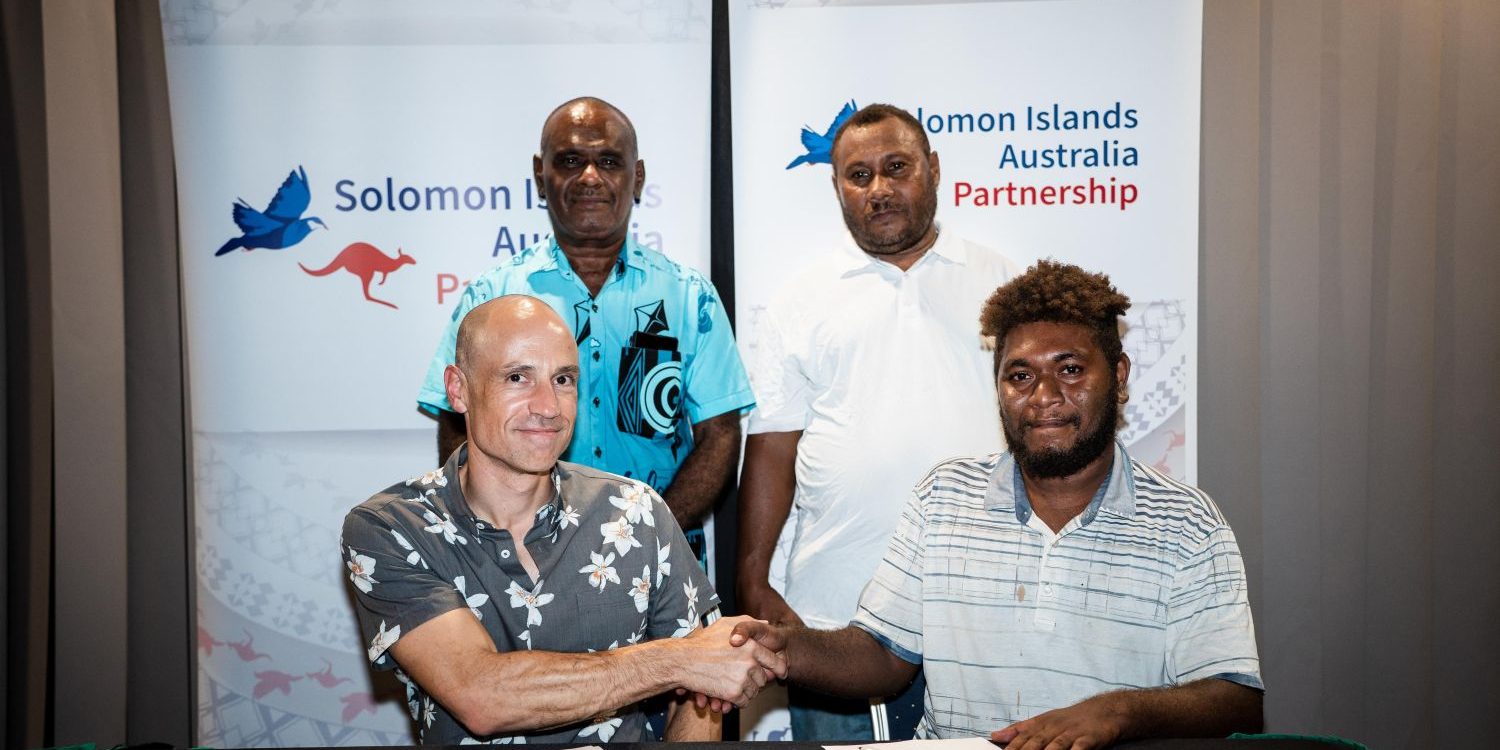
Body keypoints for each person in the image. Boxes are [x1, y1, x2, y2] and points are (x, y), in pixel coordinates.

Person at [730, 261, 1263, 748]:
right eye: (1020, 375)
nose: (1044, 395)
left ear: (1118, 377)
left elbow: (1235, 698)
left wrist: (1117, 712)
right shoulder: (944, 497)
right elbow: (881, 657)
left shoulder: (1187, 523)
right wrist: (777, 647)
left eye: (1071, 369)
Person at [346, 296, 780, 744]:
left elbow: (702, 697)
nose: (549, 406)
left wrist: (697, 665)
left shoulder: (636, 510)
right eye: (518, 377)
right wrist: (680, 660)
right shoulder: (392, 528)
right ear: (458, 389)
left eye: (563, 379)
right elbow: (480, 696)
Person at [736, 103, 1018, 739]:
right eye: (858, 175)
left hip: (983, 618)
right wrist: (753, 580)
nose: (880, 189)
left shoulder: (1002, 285)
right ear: (836, 187)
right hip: (835, 622)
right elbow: (773, 449)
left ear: (934, 170)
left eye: (897, 168)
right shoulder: (800, 299)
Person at [418, 97, 752, 535]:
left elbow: (720, 435)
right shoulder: (493, 295)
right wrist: (502, 532)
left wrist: (647, 537)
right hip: (525, 557)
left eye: (609, 161)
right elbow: (456, 423)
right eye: (571, 160)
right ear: (541, 175)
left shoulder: (690, 298)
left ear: (638, 177)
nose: (590, 177)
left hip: (661, 561)